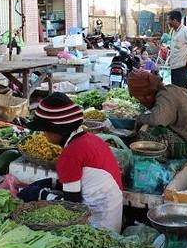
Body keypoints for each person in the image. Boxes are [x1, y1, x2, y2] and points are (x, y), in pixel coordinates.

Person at [25, 93, 123, 232]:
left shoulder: (70, 154)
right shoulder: (91, 139)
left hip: (98, 226)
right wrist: (52, 183)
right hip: (113, 217)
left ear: (57, 130)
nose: (44, 134)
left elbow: (71, 208)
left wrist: (40, 195)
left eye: (45, 130)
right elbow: (83, 179)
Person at [128, 70, 187, 159]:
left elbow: (158, 120)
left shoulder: (165, 95)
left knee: (150, 132)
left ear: (146, 94)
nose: (141, 102)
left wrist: (140, 119)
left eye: (139, 98)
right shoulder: (169, 91)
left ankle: (156, 159)